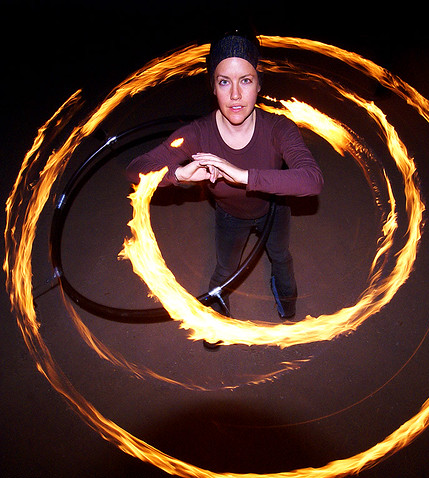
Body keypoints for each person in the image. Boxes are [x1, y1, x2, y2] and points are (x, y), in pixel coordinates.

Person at [126, 30, 323, 321]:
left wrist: (241, 176)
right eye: (224, 82)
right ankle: (217, 309)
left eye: (245, 80)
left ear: (258, 85)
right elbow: (136, 168)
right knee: (225, 268)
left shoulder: (278, 128)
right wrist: (179, 174)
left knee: (281, 257)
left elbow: (312, 180)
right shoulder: (197, 134)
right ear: (213, 88)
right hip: (230, 215)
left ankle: (285, 295)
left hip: (274, 209)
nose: (234, 95)